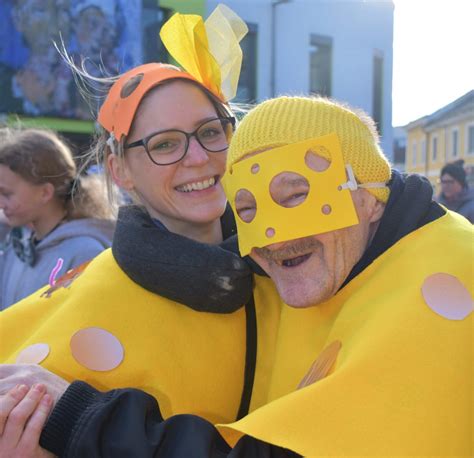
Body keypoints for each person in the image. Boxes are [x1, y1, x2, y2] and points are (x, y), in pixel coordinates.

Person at [2, 95, 471, 457]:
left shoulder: (445, 272)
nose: (273, 236)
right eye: (246, 209)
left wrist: (79, 419)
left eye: (296, 197)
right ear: (120, 170)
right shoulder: (340, 270)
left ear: (371, 197)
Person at [0, 6, 287, 457]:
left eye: (210, 131)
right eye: (165, 144)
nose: (198, 158)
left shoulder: (293, 267)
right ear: (121, 170)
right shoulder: (91, 298)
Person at [0, 127, 115, 310]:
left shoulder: (84, 253)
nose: (1, 203)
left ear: (45, 192)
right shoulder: (16, 253)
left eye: (7, 194)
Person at [436, 159, 474, 223]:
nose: (445, 185)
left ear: (461, 183)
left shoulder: (471, 206)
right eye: (443, 182)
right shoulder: (437, 205)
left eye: (449, 182)